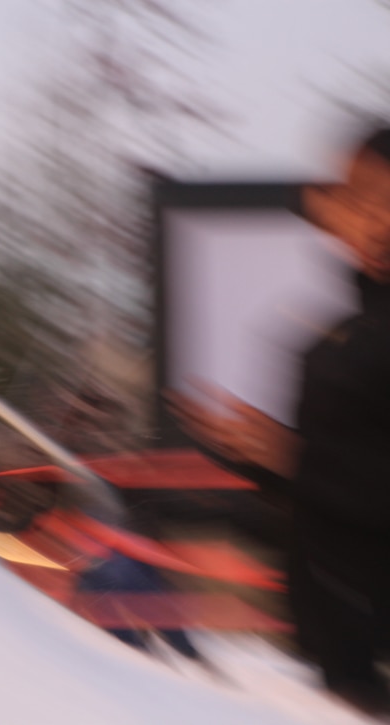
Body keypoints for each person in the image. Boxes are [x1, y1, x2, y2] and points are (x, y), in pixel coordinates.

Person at [169, 125, 390, 715]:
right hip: (342, 665)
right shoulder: (341, 335)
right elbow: (328, 505)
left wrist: (296, 458)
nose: (371, 217)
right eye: (358, 197)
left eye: (384, 198)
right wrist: (252, 457)